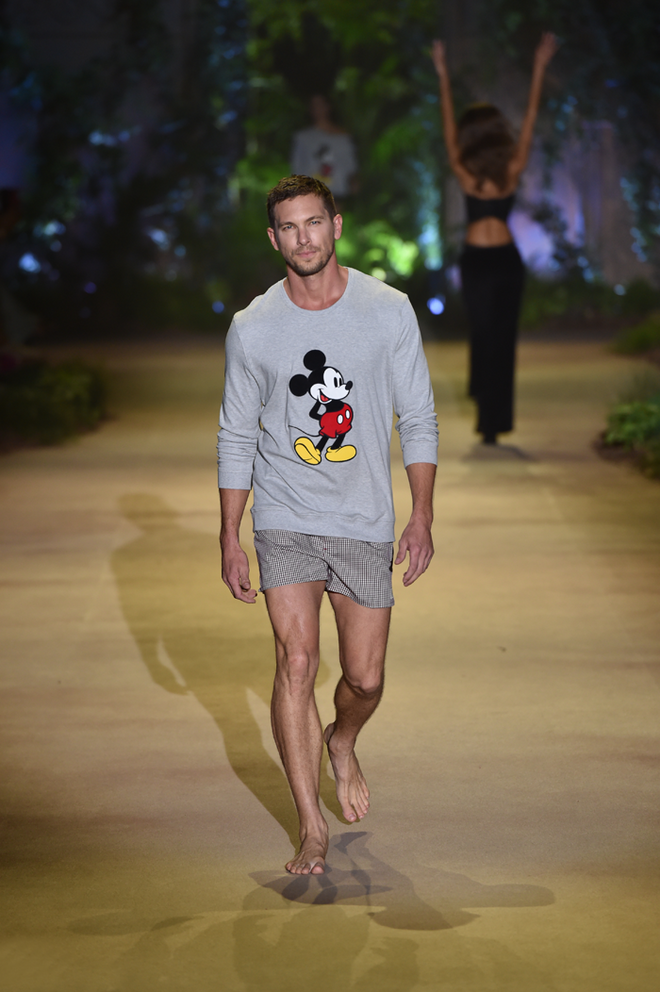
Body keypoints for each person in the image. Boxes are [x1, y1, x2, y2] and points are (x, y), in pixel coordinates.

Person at [217, 174, 438, 875]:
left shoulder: (388, 310)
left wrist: (422, 513)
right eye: (289, 227)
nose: (303, 237)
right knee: (296, 661)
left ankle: (342, 739)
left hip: (364, 516)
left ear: (336, 225)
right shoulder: (253, 326)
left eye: (314, 222)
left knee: (364, 679)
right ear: (273, 238)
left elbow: (418, 416)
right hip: (284, 513)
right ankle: (310, 824)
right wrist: (230, 533)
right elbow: (235, 434)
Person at [432, 33, 558, 445]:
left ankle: (493, 419)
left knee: (501, 338)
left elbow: (529, 119)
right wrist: (442, 73)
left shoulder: (498, 168)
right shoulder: (476, 169)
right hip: (486, 263)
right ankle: (486, 404)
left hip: (499, 262)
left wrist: (540, 67)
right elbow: (451, 128)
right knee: (485, 334)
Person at [291, 95, 358, 205]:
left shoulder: (343, 138)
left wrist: (353, 184)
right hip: (311, 195)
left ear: (328, 106)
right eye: (314, 106)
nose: (318, 109)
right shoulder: (303, 137)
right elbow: (297, 167)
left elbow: (350, 166)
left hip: (337, 193)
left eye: (321, 105)